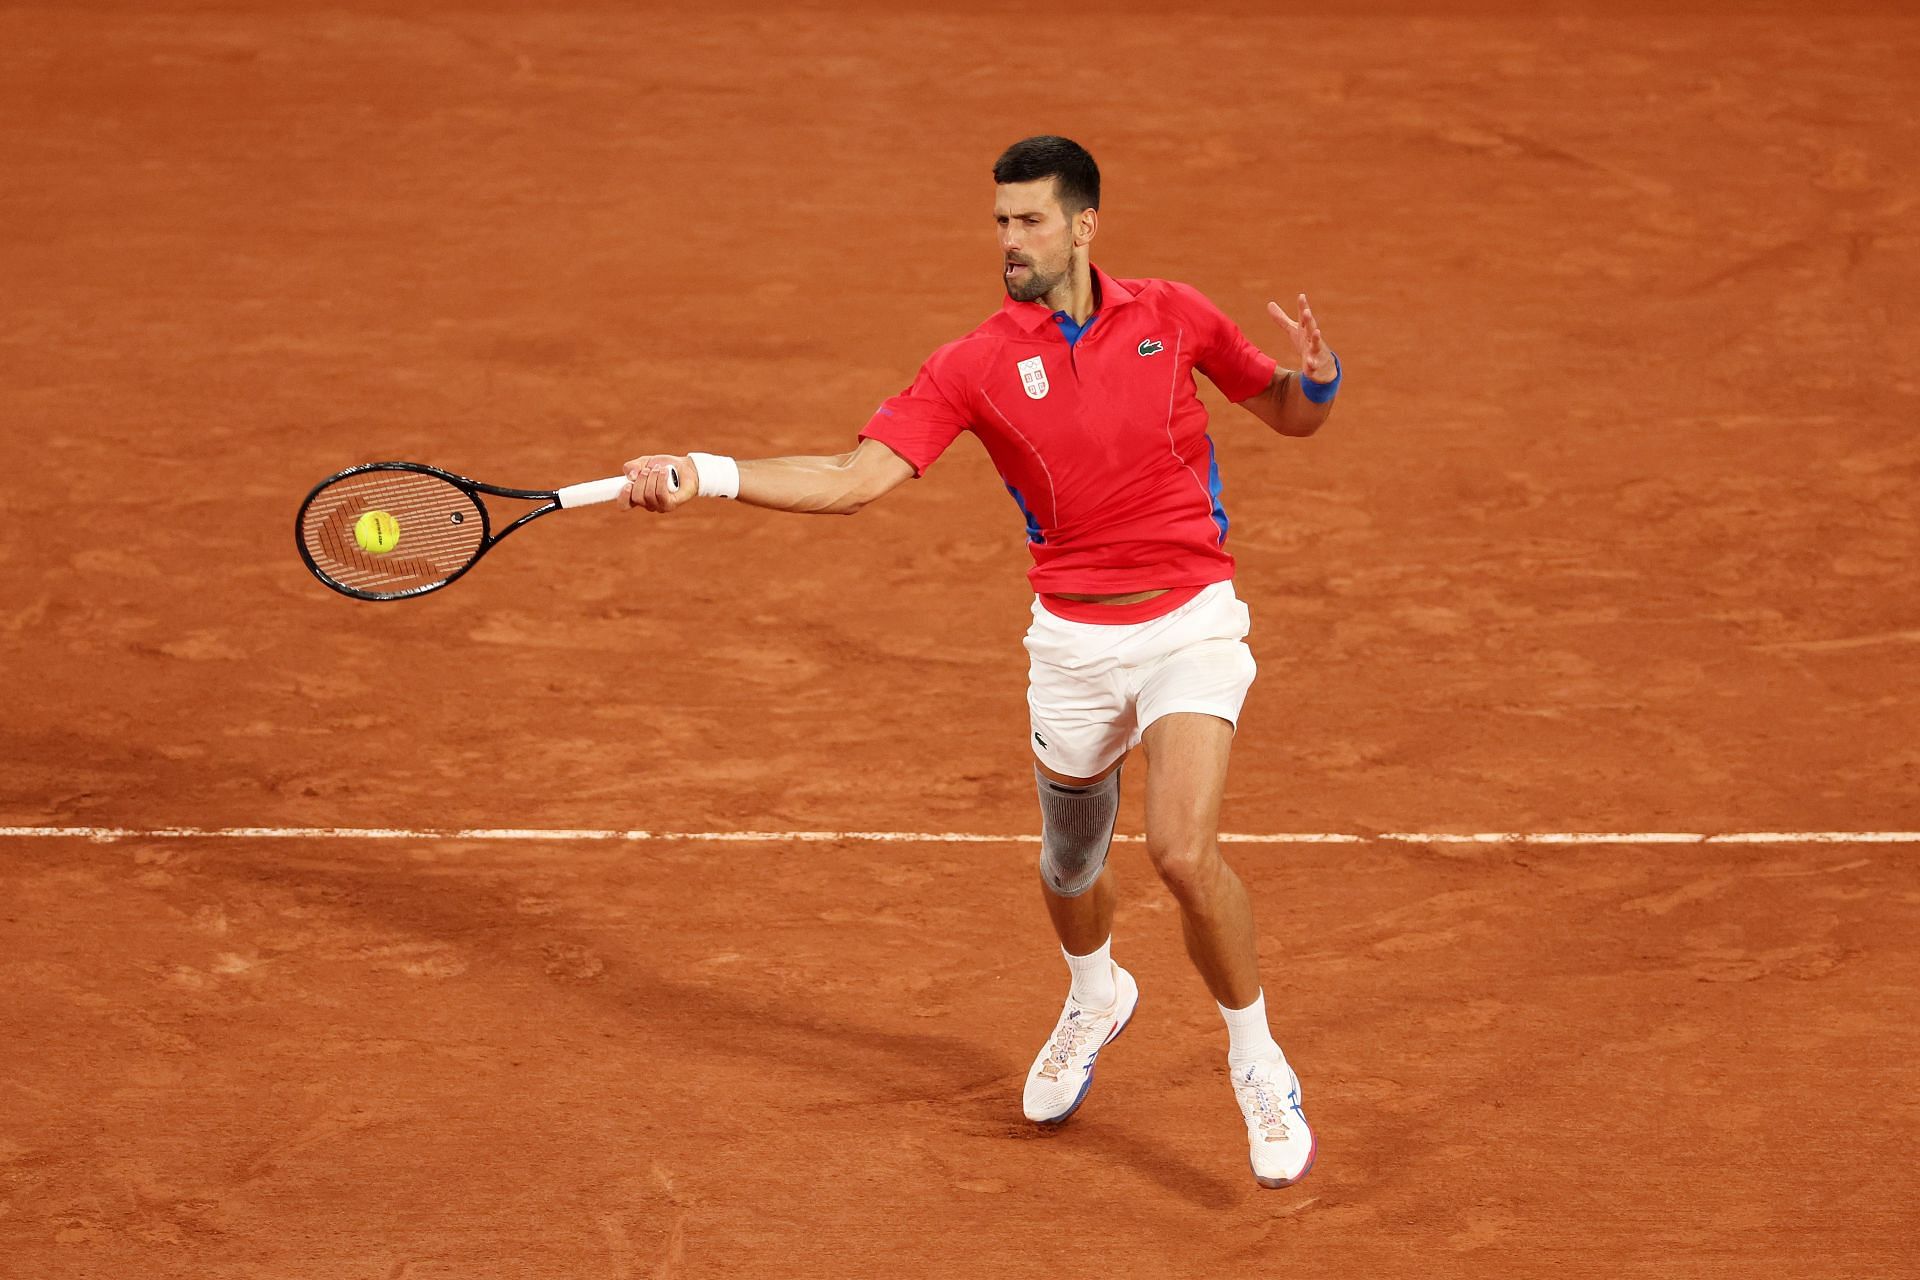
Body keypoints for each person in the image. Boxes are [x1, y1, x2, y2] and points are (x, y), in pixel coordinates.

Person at [619, 135, 1340, 1188]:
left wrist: (1320, 382)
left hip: (1190, 621)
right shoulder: (976, 363)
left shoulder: (1175, 315)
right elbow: (853, 476)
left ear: (1085, 225)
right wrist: (706, 471)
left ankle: (1258, 1057)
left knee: (1181, 849)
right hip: (1073, 646)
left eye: (1030, 220)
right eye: (1001, 220)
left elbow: (1285, 407)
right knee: (1068, 867)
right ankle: (1096, 993)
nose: (1010, 240)